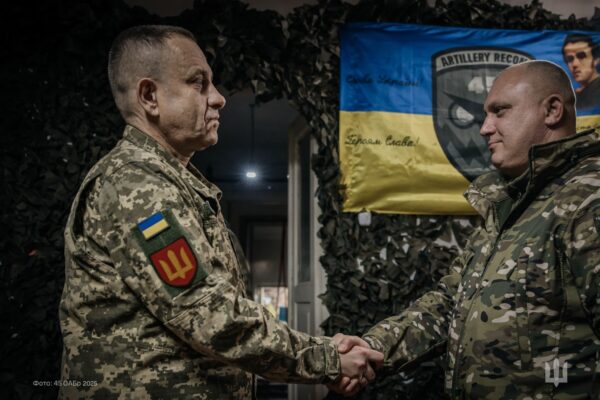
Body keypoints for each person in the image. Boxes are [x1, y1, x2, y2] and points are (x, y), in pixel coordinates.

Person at [58, 25, 383, 399]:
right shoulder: (134, 181)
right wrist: (329, 360)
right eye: (198, 83)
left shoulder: (168, 178)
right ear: (149, 96)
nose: (219, 98)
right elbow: (210, 315)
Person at [332, 60, 600, 398]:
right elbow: (450, 303)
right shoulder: (513, 204)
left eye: (499, 111)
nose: (485, 128)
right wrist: (374, 346)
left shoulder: (588, 198)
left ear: (552, 111)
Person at [562, 33, 600, 110]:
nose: (574, 64)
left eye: (581, 56)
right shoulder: (575, 95)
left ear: (596, 59)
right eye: (569, 59)